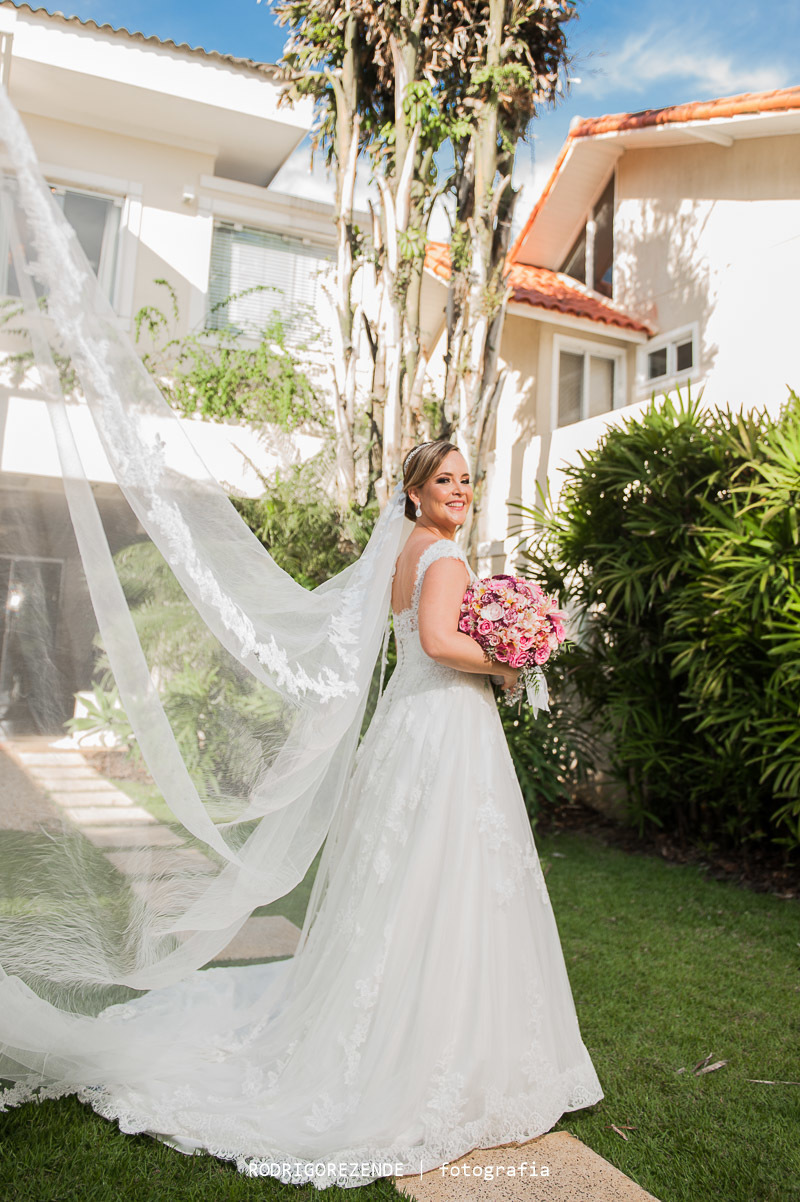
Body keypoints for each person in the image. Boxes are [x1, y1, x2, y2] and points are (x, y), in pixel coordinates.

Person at [68, 439, 604, 1189]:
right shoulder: (443, 558)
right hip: (446, 727)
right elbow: (439, 642)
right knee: (449, 874)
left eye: (465, 479)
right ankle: (436, 1047)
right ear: (414, 493)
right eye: (443, 481)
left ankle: (394, 1014)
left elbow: (417, 636)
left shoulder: (403, 555)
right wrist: (515, 658)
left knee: (407, 880)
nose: (459, 490)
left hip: (410, 723)